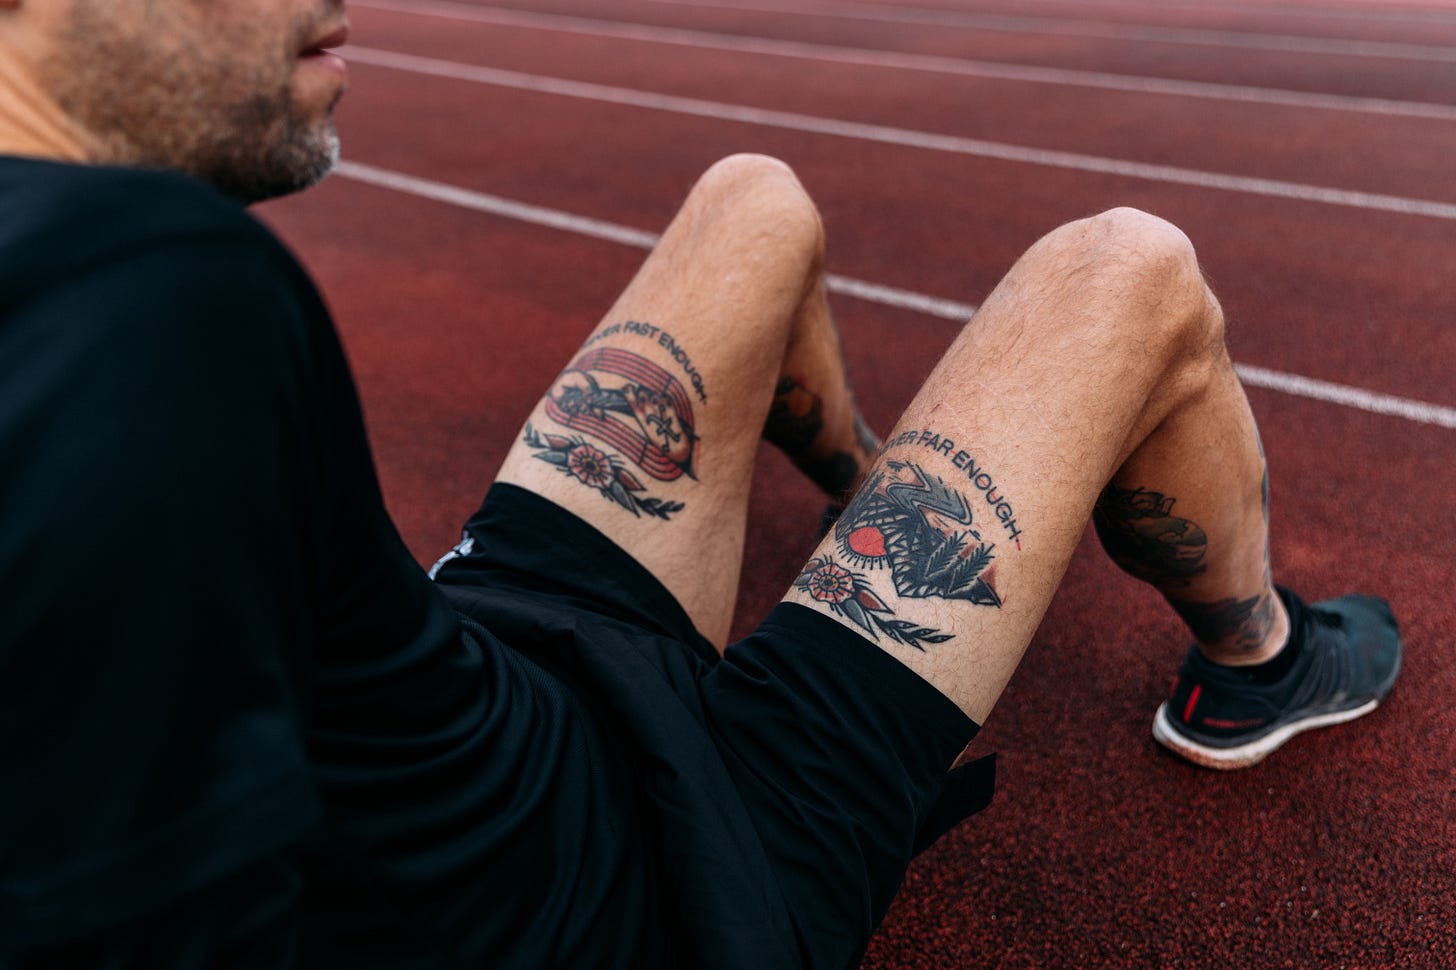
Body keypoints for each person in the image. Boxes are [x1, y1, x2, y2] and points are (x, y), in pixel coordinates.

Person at [0, 0, 1402, 966]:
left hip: (493, 680)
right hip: (650, 888)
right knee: (1128, 272)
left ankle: (868, 489)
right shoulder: (143, 285)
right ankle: (1260, 661)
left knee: (756, 201)